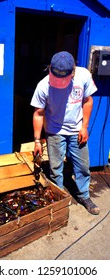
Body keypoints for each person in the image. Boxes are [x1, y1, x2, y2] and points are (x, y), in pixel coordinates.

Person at [30, 51, 100, 215]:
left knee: (82, 166)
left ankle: (84, 195)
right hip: (54, 131)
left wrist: (84, 127)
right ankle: (58, 198)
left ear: (73, 71)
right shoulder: (43, 85)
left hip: (77, 129)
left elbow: (88, 101)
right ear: (50, 70)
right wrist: (37, 141)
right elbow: (38, 114)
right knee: (55, 168)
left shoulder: (83, 76)